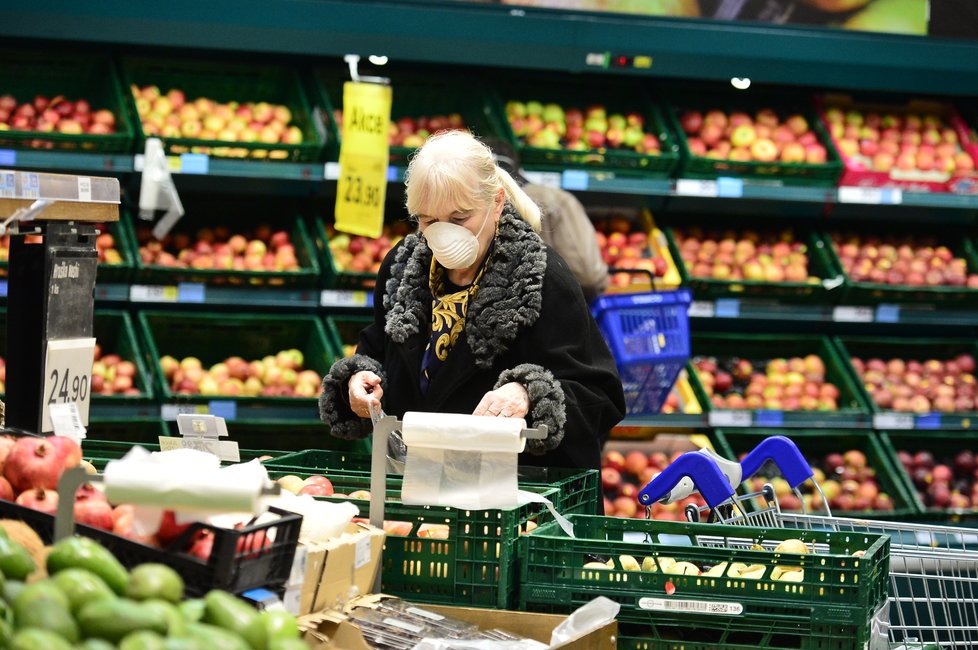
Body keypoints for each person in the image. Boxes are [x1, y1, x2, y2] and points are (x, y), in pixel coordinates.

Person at [319, 130, 625, 471]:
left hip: (517, 497)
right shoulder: (401, 267)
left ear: (496, 203)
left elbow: (600, 394)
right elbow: (378, 349)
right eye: (428, 220)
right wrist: (359, 379)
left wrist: (529, 394)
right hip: (416, 483)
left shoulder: (542, 278)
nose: (443, 232)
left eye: (459, 217)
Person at [484, 138, 609, 303]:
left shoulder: (467, 208)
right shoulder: (556, 201)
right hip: (555, 314)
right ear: (519, 168)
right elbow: (589, 275)